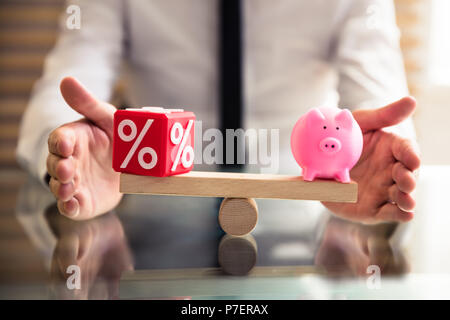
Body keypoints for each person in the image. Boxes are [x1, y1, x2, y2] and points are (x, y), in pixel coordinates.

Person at [17, 0, 420, 223]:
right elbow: (61, 91)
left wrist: (374, 154)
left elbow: (379, 94)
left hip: (307, 222)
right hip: (152, 216)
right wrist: (70, 149)